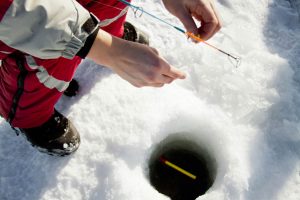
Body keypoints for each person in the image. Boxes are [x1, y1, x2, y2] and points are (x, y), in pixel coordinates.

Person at [0, 0, 221, 156]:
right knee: (52, 48)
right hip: (19, 19)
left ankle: (109, 32)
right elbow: (15, 11)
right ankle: (30, 116)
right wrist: (105, 49)